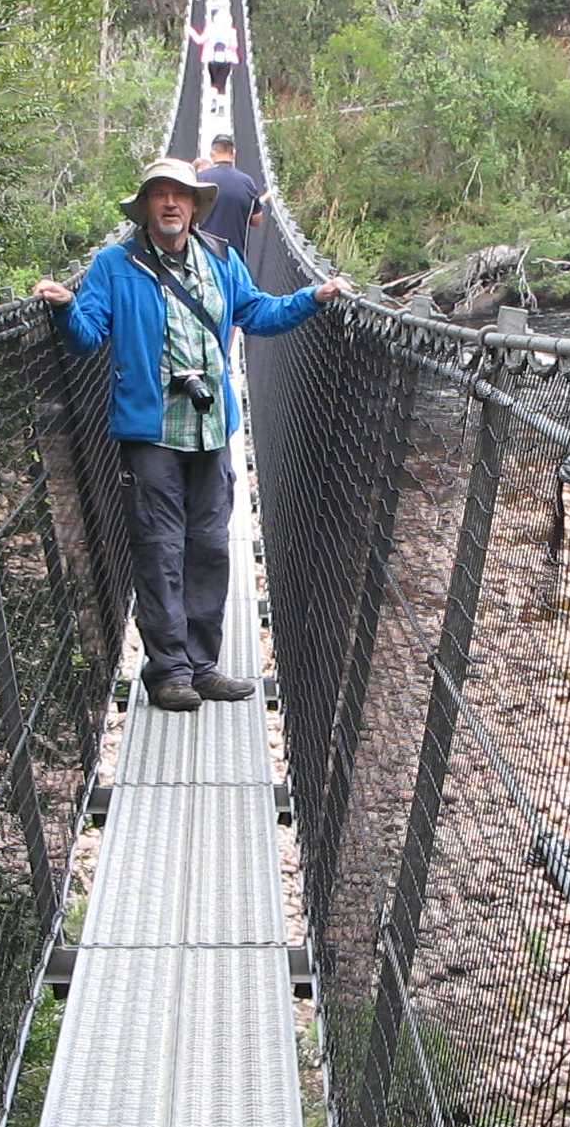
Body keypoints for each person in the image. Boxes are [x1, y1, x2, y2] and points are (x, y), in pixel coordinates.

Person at [36, 156, 348, 712]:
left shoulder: (222, 258)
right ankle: (168, 671)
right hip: (150, 431)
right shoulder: (115, 264)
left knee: (208, 549)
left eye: (180, 194)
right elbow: (86, 339)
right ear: (147, 206)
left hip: (211, 428)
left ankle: (203, 665)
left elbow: (258, 313)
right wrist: (63, 309)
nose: (171, 203)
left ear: (195, 205)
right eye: (160, 194)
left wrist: (312, 298)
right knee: (159, 550)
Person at [194, 130, 266, 254]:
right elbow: (256, 221)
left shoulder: (199, 179)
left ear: (212, 154)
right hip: (236, 258)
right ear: (233, 154)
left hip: (206, 257)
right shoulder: (247, 182)